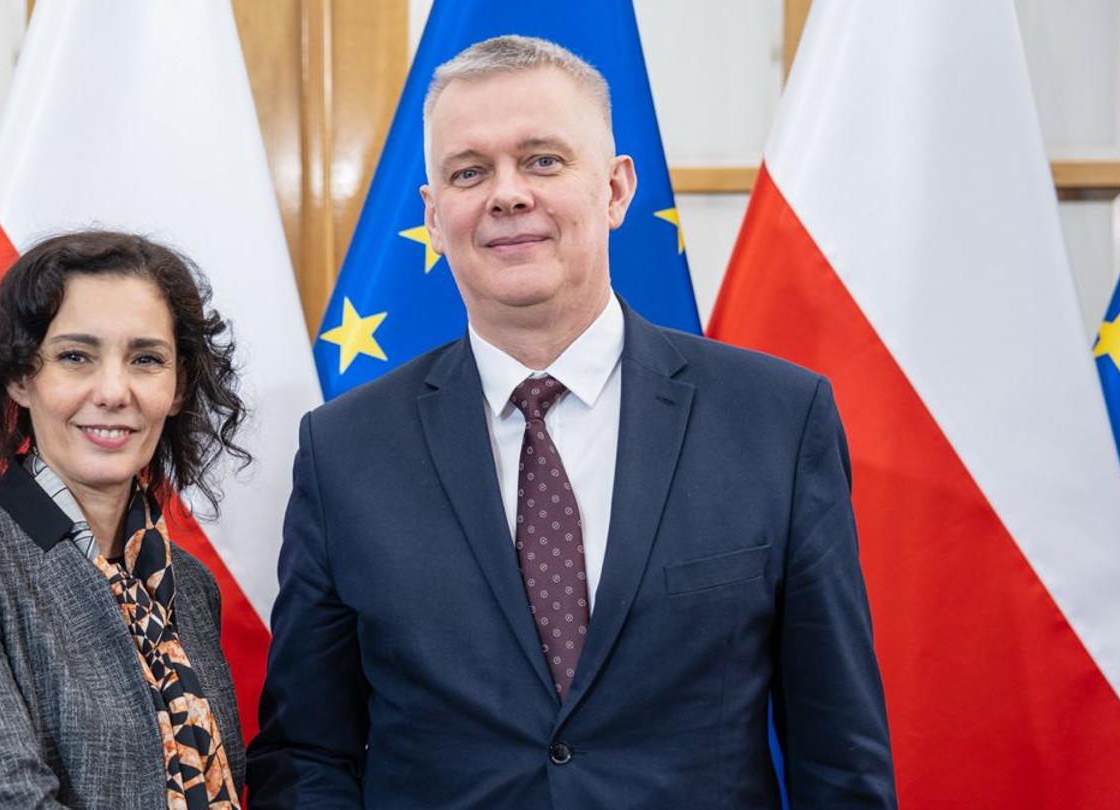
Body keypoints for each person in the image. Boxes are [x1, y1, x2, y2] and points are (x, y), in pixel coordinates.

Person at [248, 35, 896, 808]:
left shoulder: (776, 421)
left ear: (616, 190)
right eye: (469, 172)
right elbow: (305, 755)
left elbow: (839, 757)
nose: (507, 195)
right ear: (433, 216)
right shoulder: (343, 450)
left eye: (543, 161)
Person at [0, 230, 249, 809]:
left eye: (146, 359)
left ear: (177, 388)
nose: (114, 391)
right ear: (21, 378)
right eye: (76, 357)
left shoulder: (189, 585)